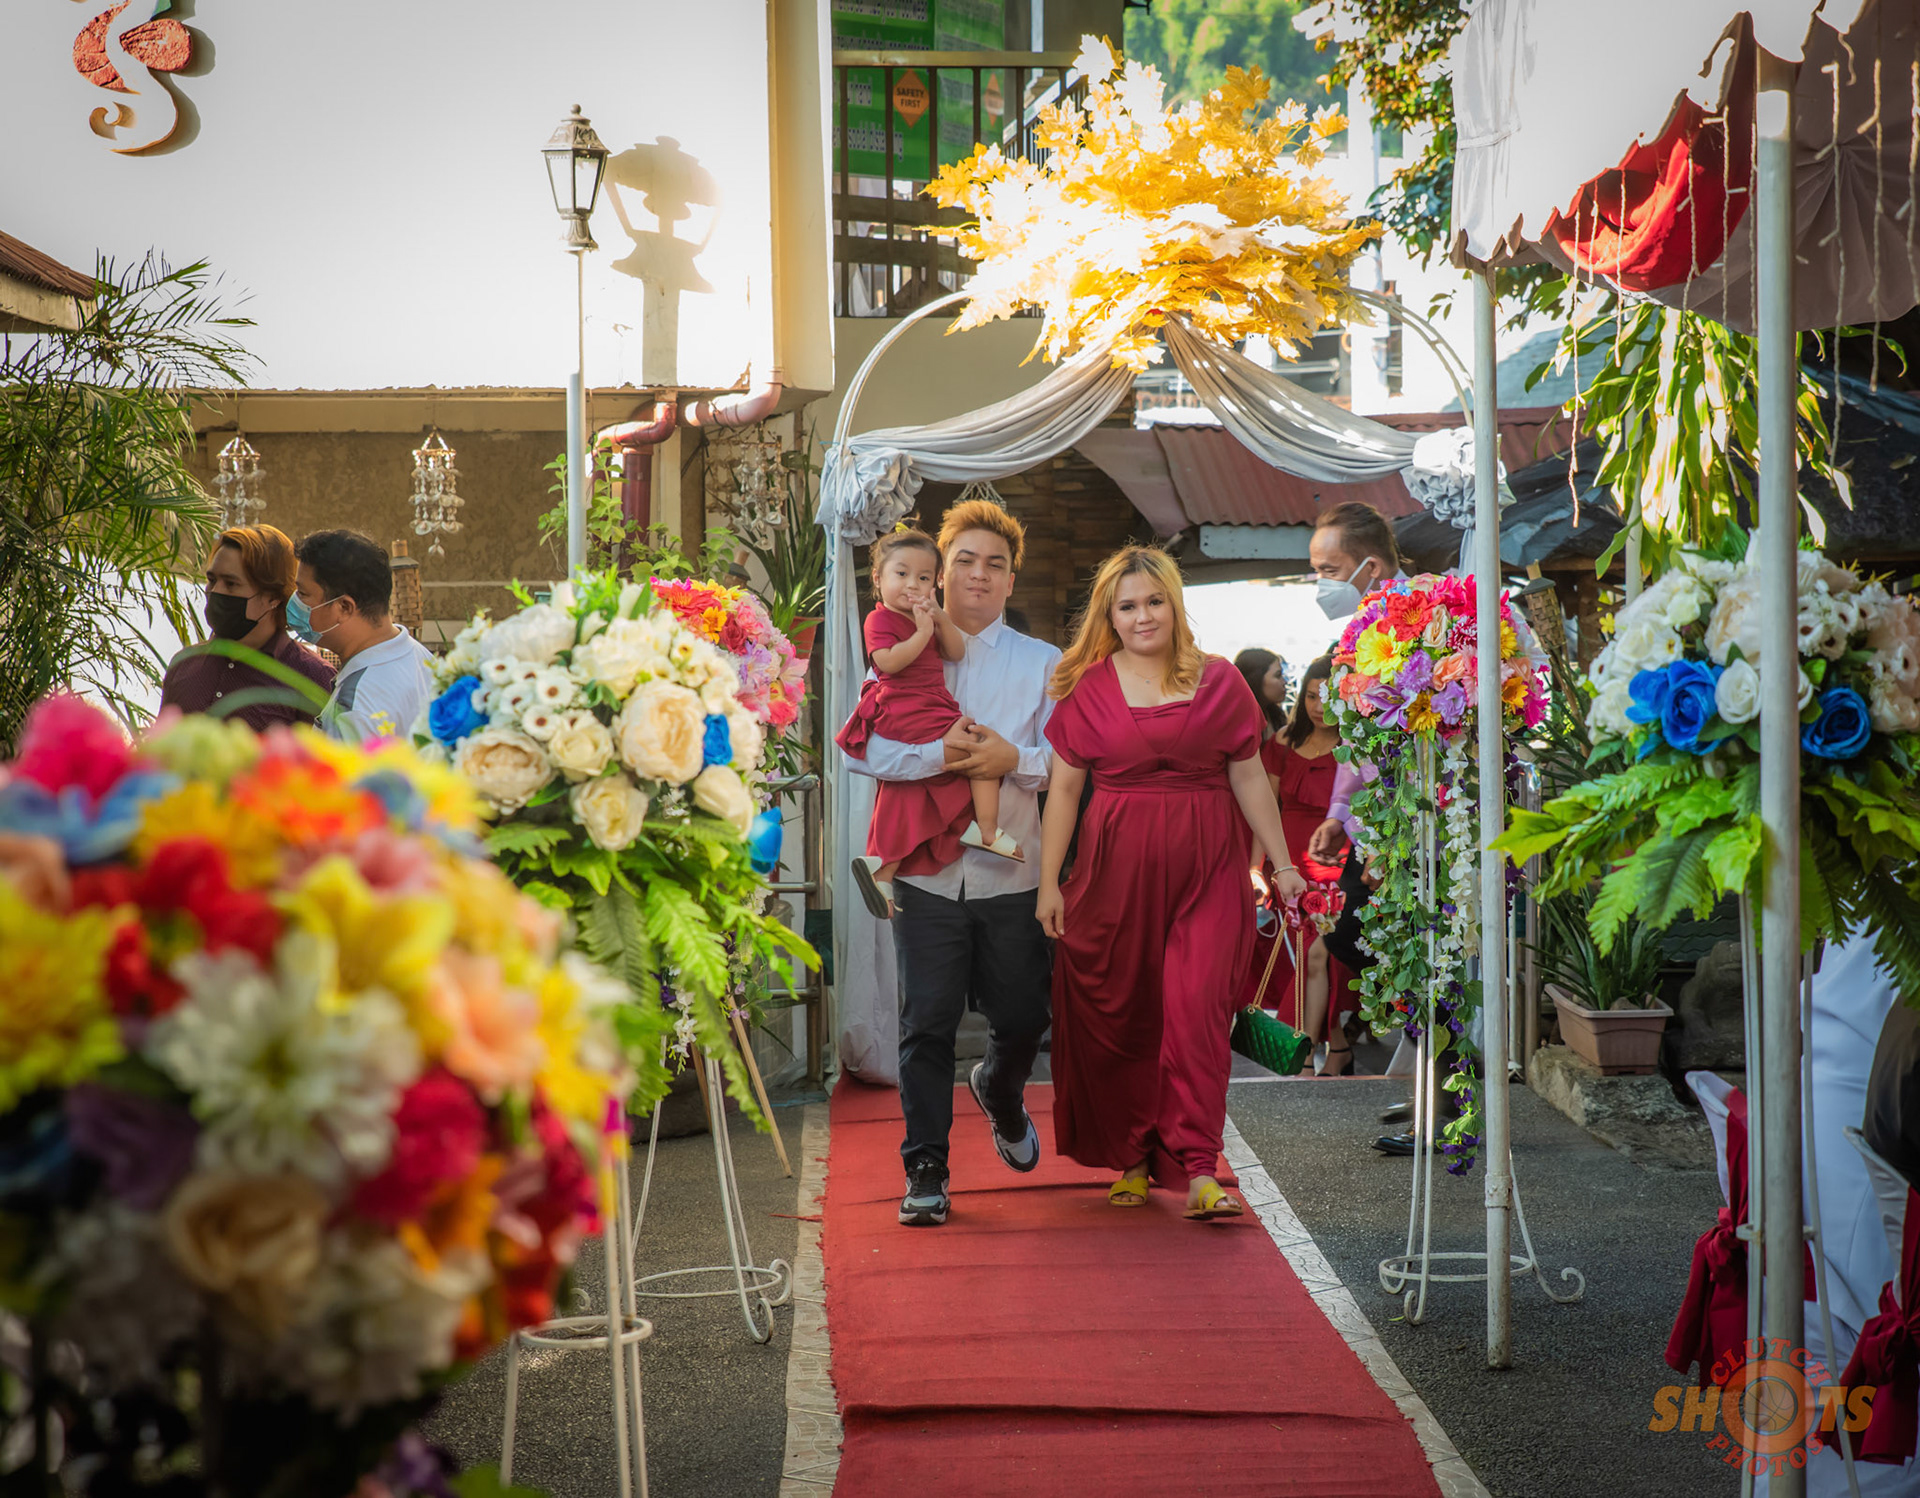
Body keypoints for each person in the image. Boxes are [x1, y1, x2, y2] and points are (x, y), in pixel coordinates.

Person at [1036, 546, 1308, 1221]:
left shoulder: (1221, 681)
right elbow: (1064, 791)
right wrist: (1048, 883)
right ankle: (1132, 1155)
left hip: (1209, 872)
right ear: (1110, 616)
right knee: (1124, 1014)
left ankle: (1198, 1168)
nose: (1143, 616)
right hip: (1112, 876)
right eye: (1128, 606)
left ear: (1175, 604)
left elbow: (1249, 777)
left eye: (1154, 601)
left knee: (1197, 1014)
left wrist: (1282, 864)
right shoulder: (1087, 687)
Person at [843, 499, 1060, 1228]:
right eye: (964, 560)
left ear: (1010, 580)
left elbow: (1063, 764)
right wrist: (940, 756)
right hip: (926, 874)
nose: (978, 574)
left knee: (1024, 1016)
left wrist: (1011, 758)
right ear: (939, 574)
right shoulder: (896, 647)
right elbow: (865, 752)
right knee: (927, 1021)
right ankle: (926, 1167)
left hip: (1012, 871)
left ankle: (999, 1088)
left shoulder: (1042, 662)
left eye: (994, 564)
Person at [839, 526, 1021, 920]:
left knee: (965, 761)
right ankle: (983, 830)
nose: (912, 585)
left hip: (931, 703)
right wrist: (923, 633)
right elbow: (888, 663)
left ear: (935, 582)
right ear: (878, 578)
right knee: (970, 750)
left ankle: (890, 865)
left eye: (922, 577)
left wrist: (937, 618)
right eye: (902, 574)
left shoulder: (928, 618)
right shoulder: (879, 619)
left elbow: (955, 652)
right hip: (905, 707)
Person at [1258, 654, 1355, 1075]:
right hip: (1290, 866)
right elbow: (1264, 809)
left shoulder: (1356, 744)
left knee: (1324, 955)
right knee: (1308, 958)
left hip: (1338, 863)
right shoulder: (1282, 743)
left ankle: (1303, 1056)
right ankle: (1336, 1047)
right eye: (1312, 696)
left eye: (1328, 697)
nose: (1318, 706)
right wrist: (1258, 867)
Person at [161, 524, 336, 732]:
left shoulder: (313, 678)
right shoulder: (184, 665)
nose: (215, 591)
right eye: (212, 580)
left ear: (273, 598)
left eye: (231, 584)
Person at [292, 529, 433, 744]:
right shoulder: (420, 656)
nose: (294, 602)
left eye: (303, 594)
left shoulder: (354, 709)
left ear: (344, 607)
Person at [1234, 647, 1289, 739]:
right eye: (1278, 675)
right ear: (1257, 679)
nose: (1285, 682)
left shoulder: (1275, 717)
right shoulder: (1235, 723)